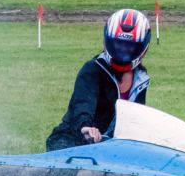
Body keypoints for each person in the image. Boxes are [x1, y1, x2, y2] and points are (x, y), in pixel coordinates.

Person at [46, 8, 151, 151]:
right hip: (71, 140)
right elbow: (83, 102)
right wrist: (86, 127)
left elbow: (135, 118)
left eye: (129, 47)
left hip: (108, 146)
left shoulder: (141, 79)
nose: (122, 51)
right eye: (118, 44)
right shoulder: (93, 69)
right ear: (106, 41)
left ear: (143, 48)